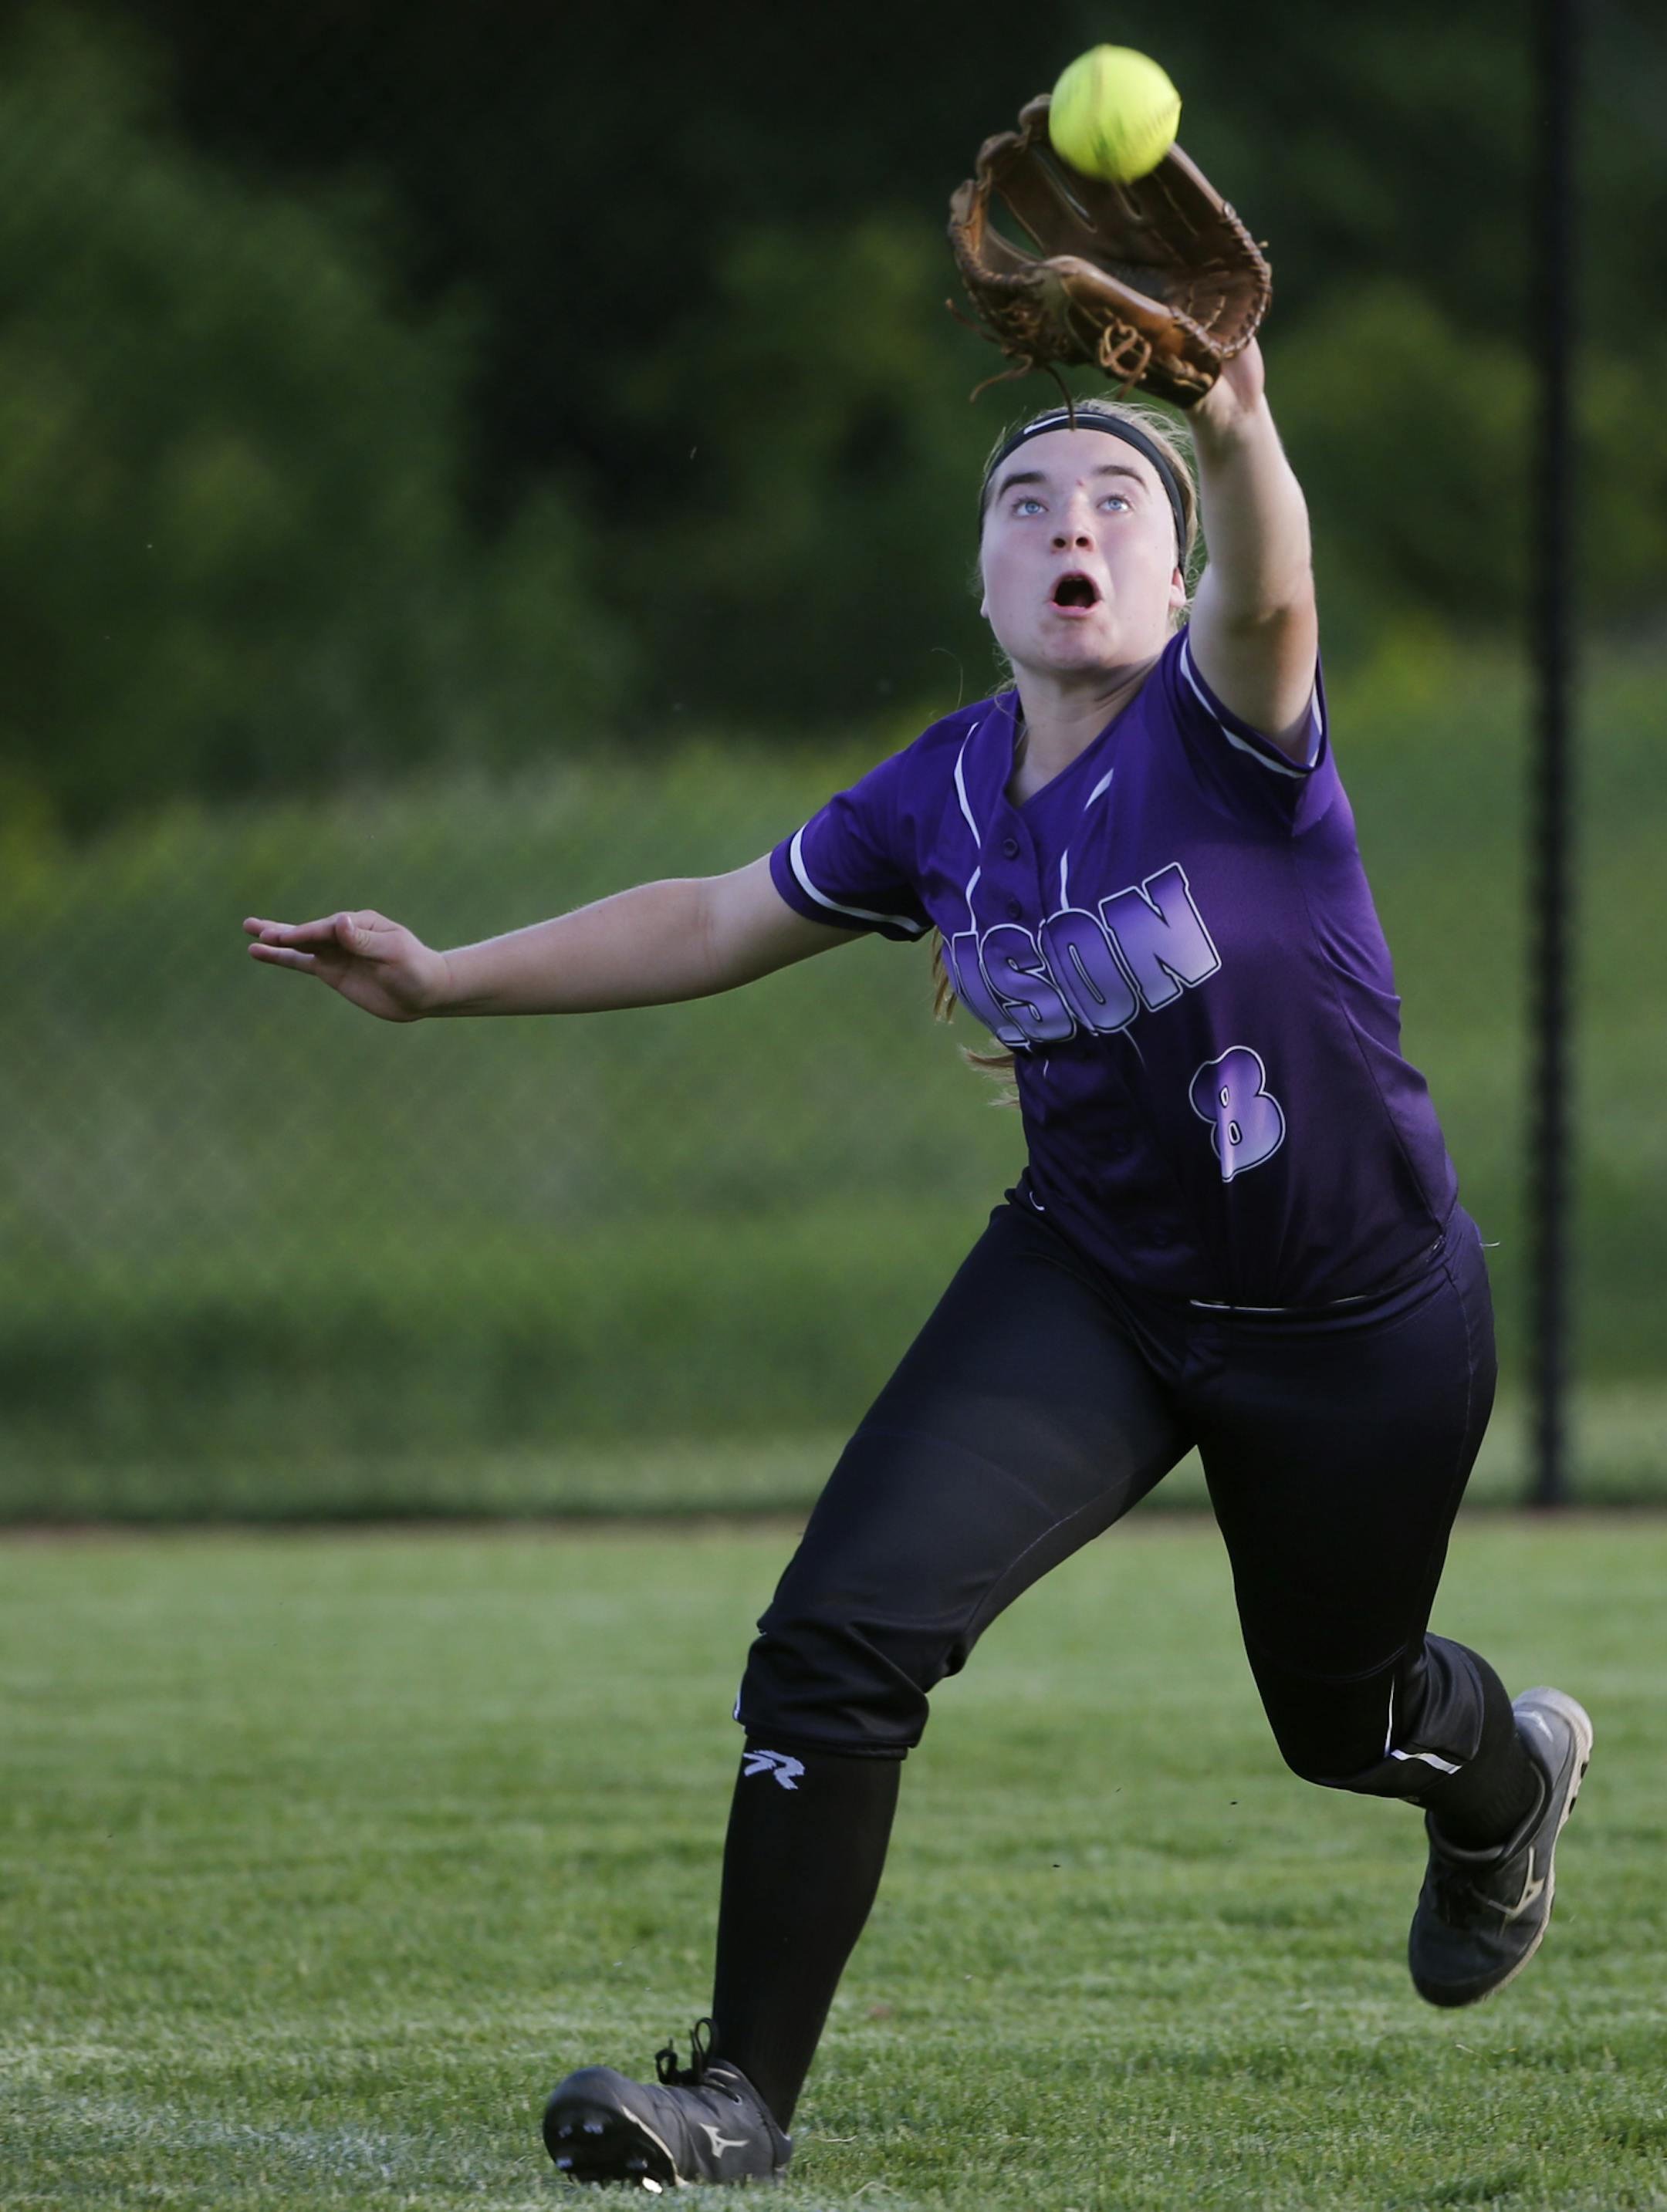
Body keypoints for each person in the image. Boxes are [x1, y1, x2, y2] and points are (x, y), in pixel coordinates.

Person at [244, 339, 1592, 2194]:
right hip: (1097, 1285)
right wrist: (445, 975)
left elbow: (1279, 585)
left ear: (1175, 583)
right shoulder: (938, 799)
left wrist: (1237, 419)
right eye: (1027, 504)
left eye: (1122, 507)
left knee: (1339, 1719)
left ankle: (1502, 1782)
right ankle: (738, 2100)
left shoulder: (1230, 727)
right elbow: (717, 915)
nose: (1073, 526)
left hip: (1354, 1321)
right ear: (982, 583)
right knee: (835, 1637)